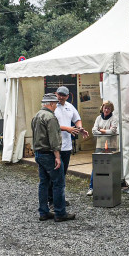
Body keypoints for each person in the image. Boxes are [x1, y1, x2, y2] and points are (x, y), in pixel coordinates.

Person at [31, 93, 75, 222]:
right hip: (49, 154)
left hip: (39, 153)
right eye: (55, 104)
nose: (56, 106)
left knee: (43, 183)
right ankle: (60, 213)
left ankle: (43, 212)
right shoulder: (50, 117)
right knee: (58, 183)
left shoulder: (36, 116)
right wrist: (57, 156)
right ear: (50, 104)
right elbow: (54, 139)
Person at [48, 86, 89, 207]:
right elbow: (51, 125)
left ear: (67, 96)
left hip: (66, 146)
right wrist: (67, 128)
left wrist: (80, 128)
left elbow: (77, 119)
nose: (60, 97)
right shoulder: (52, 107)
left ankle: (59, 198)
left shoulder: (70, 107)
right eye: (59, 94)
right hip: (54, 145)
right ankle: (51, 200)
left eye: (63, 95)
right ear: (56, 94)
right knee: (54, 174)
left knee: (62, 174)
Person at [87, 100, 118, 196]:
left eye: (109, 108)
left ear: (111, 109)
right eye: (105, 108)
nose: (107, 110)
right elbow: (93, 130)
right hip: (100, 145)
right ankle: (92, 187)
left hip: (111, 145)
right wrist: (104, 131)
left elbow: (112, 131)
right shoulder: (98, 118)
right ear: (102, 108)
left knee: (110, 167)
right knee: (96, 166)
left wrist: (100, 130)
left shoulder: (114, 118)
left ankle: (109, 188)